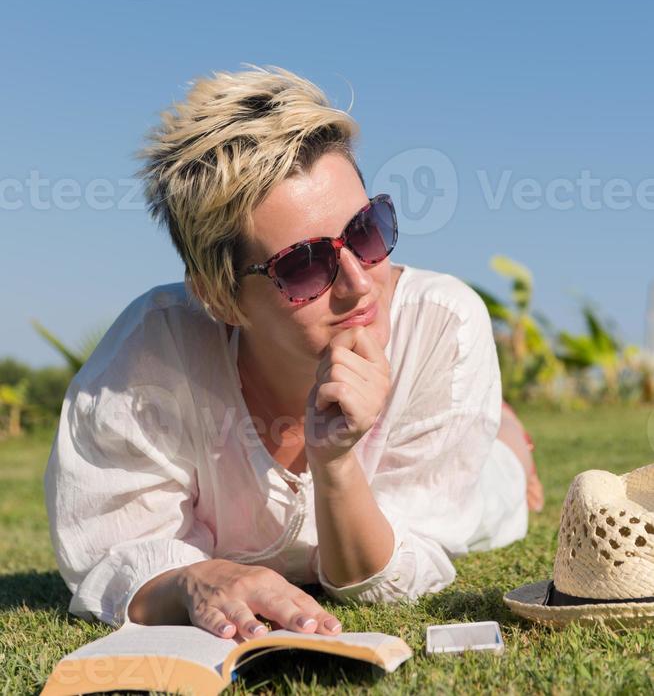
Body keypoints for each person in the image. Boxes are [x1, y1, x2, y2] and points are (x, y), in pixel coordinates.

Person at [45, 64, 543, 645]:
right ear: (219, 296)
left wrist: (333, 464)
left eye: (367, 230)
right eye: (304, 264)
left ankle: (508, 438)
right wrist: (192, 579)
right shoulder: (149, 359)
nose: (360, 283)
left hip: (439, 461)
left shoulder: (441, 325)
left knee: (500, 502)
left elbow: (391, 576)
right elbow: (109, 557)